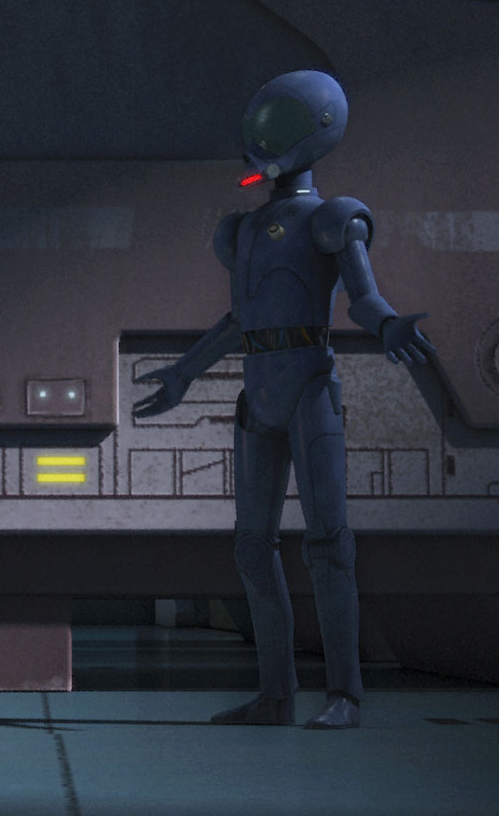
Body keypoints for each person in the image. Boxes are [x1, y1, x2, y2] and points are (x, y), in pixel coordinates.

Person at [133, 70, 434, 729]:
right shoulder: (242, 230)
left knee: (328, 544)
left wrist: (387, 324)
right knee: (252, 547)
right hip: (260, 390)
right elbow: (241, 318)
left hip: (308, 388)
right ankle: (275, 693)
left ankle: (344, 695)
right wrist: (185, 371)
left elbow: (361, 297)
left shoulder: (333, 219)